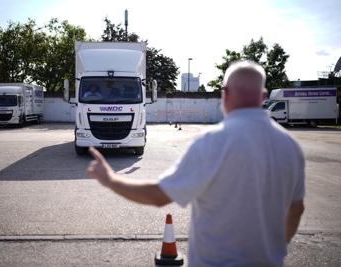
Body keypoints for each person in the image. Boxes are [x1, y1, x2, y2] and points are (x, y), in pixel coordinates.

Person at [86, 61, 305, 267]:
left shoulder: (213, 141)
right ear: (263, 96)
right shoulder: (291, 146)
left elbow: (159, 196)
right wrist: (275, 250)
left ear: (225, 93)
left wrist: (111, 180)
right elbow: (296, 209)